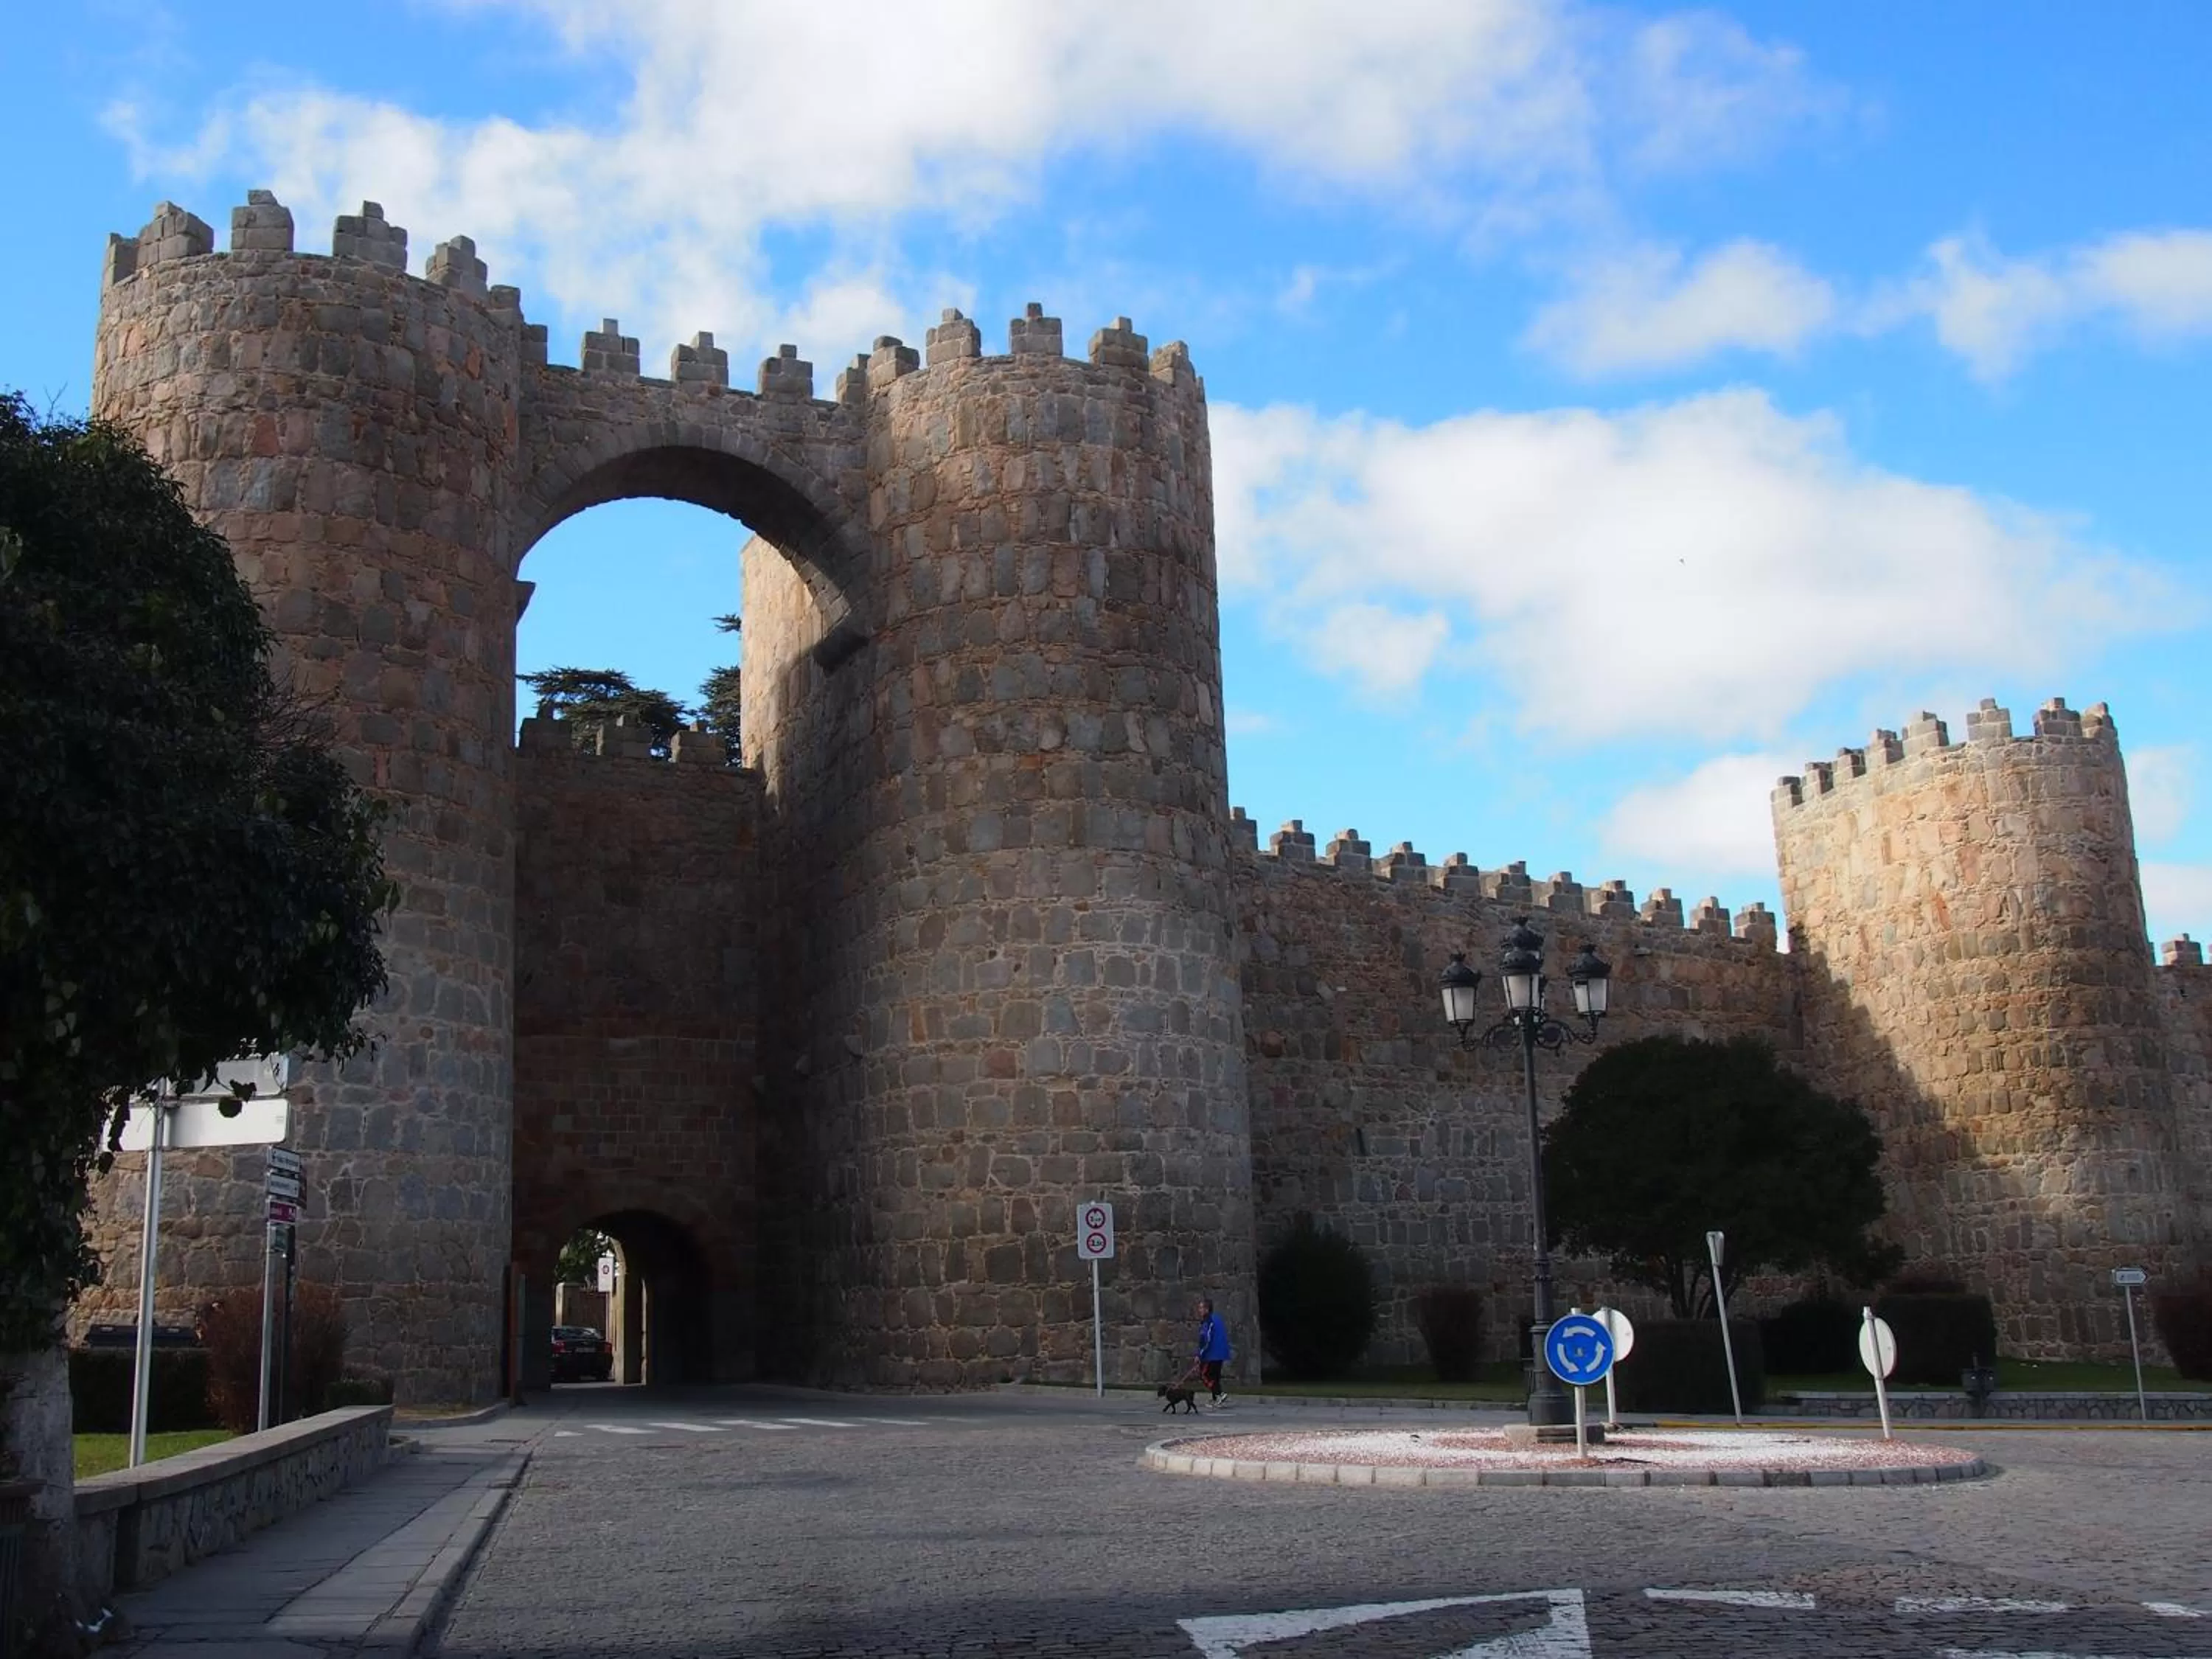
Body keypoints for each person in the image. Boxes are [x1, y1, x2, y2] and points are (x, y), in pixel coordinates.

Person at [1192, 1296, 1231, 1408]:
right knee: (1215, 1377)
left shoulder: (1208, 1321)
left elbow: (1205, 1338)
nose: (1199, 1310)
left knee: (1205, 1375)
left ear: (1207, 1309)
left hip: (1212, 1354)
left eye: (1201, 1308)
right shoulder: (1217, 1318)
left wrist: (1199, 1354)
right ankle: (1216, 1399)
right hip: (1221, 1353)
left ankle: (1220, 1394)